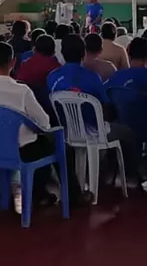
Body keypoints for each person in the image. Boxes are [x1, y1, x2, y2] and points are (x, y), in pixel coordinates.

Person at [0, 42, 83, 204]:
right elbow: (44, 122)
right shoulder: (21, 91)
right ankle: (72, 197)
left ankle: (40, 194)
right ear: (13, 62)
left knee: (42, 144)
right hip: (22, 151)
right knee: (60, 147)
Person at [47, 37, 139, 186]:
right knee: (127, 132)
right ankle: (127, 176)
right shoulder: (91, 77)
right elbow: (105, 106)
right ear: (83, 53)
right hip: (94, 131)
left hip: (66, 132)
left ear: (62, 53)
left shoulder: (52, 76)